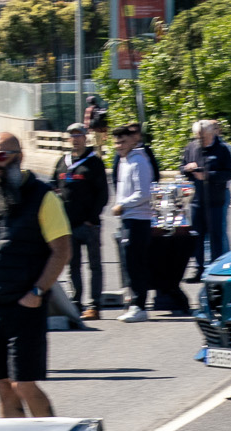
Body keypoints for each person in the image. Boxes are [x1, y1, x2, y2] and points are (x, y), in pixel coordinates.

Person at [0, 134, 73, 418]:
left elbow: (62, 251)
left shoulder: (44, 197)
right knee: (3, 385)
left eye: (1, 156)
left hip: (25, 306)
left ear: (19, 157)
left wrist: (37, 292)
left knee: (23, 384)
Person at [50, 123, 110, 320]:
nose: (75, 139)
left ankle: (94, 305)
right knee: (73, 266)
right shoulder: (62, 162)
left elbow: (103, 194)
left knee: (94, 266)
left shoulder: (94, 163)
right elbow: (52, 187)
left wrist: (92, 219)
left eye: (79, 135)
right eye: (72, 136)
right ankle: (76, 302)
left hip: (89, 225)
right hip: (67, 225)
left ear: (85, 138)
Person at [109, 124, 165, 321]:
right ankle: (134, 302)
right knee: (130, 263)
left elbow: (144, 193)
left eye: (123, 142)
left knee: (136, 263)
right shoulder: (124, 161)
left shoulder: (139, 161)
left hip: (138, 219)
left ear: (132, 141)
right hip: (128, 218)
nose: (119, 146)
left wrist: (122, 205)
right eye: (116, 143)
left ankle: (139, 306)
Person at [180, 119, 231, 278]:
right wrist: (187, 169)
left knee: (216, 236)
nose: (200, 140)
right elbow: (181, 168)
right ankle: (199, 269)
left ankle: (216, 269)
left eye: (203, 137)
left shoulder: (222, 149)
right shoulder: (191, 147)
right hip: (196, 200)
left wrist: (208, 175)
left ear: (211, 134)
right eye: (197, 137)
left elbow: (229, 173)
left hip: (215, 200)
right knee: (196, 236)